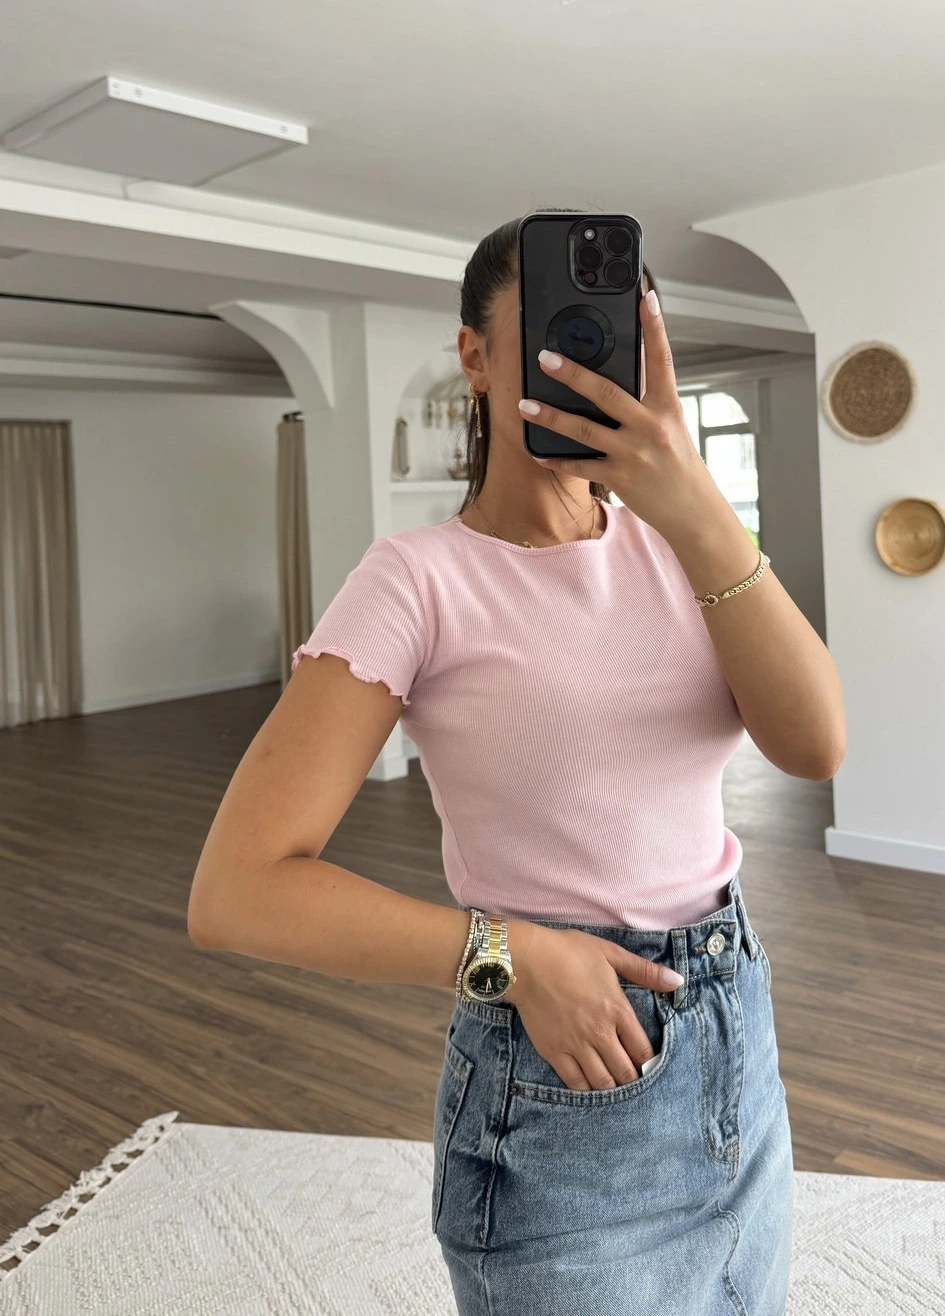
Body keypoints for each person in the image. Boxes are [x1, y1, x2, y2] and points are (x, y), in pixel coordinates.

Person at [188, 215, 846, 1314]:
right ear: (476, 358)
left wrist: (694, 504)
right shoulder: (416, 581)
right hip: (556, 1074)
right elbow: (236, 892)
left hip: (733, 1033)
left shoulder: (688, 548)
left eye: (611, 342)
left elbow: (815, 745)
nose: (583, 367)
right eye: (552, 335)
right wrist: (511, 959)